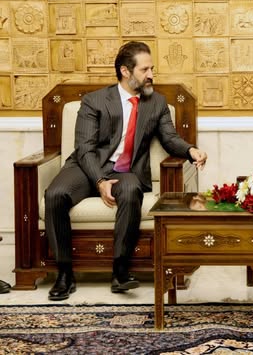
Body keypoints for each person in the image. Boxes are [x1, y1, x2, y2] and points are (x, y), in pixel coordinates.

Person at [44, 41, 207, 301]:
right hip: (87, 167)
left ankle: (120, 270)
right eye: (145, 70)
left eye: (151, 69)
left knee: (131, 190)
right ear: (125, 71)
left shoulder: (156, 103)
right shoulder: (95, 101)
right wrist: (99, 180)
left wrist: (191, 150)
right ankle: (64, 274)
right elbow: (84, 149)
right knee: (55, 195)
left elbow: (170, 138)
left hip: (125, 171)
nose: (151, 75)